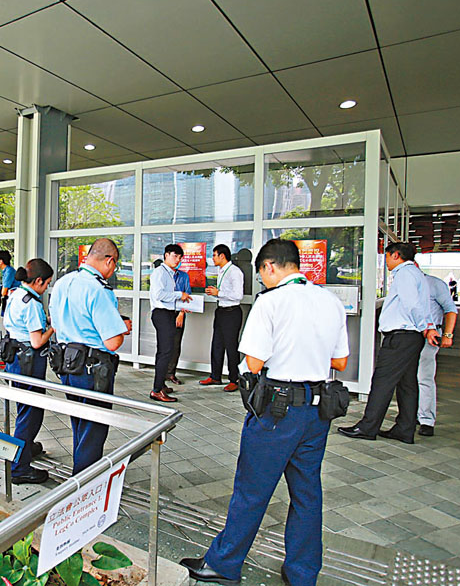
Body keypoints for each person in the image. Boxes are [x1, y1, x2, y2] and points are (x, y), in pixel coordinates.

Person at [180, 238, 350, 586]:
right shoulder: (330, 301)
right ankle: (302, 573)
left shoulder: (271, 302)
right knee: (307, 493)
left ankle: (224, 564)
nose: (263, 280)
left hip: (278, 410)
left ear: (270, 266)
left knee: (252, 489)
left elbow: (254, 362)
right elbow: (340, 361)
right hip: (316, 411)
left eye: (262, 273)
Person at [338, 242, 437, 444]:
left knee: (382, 382)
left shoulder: (405, 273)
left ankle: (368, 427)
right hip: (410, 337)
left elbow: (412, 304)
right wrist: (425, 326)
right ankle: (404, 429)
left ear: (396, 255)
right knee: (407, 384)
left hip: (401, 336)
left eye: (387, 257)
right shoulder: (415, 273)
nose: (386, 262)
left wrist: (424, 327)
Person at [49, 238, 132, 475]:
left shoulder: (63, 283)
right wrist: (123, 329)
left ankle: (80, 472)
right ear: (110, 261)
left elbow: (56, 323)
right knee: (93, 428)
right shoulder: (98, 289)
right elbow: (112, 342)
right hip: (93, 369)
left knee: (79, 423)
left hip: (67, 363)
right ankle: (85, 483)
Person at [3, 259, 55, 485]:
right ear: (38, 281)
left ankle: (25, 448)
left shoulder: (17, 294)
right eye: (47, 283)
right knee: (31, 413)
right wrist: (53, 327)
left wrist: (45, 321)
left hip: (15, 358)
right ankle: (19, 468)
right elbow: (37, 341)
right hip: (29, 362)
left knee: (23, 409)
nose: (47, 287)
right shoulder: (32, 303)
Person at [417, 273, 458, 437]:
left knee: (424, 377)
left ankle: (426, 420)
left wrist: (448, 335)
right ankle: (413, 413)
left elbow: (451, 310)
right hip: (409, 335)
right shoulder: (405, 283)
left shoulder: (434, 284)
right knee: (410, 378)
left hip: (430, 336)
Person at [149, 244, 190, 403]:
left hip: (169, 314)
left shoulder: (170, 273)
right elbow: (159, 295)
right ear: (166, 255)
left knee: (167, 350)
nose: (177, 260)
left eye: (180, 257)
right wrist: (180, 294)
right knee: (165, 352)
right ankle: (156, 391)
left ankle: (161, 384)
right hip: (162, 314)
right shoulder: (160, 272)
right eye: (175, 256)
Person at [200, 244, 245, 392]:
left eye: (214, 255)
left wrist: (218, 293)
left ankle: (234, 379)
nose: (212, 258)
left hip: (232, 312)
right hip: (221, 310)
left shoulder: (234, 272)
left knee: (231, 346)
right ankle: (215, 376)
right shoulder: (221, 271)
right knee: (217, 344)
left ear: (222, 256)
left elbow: (238, 295)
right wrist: (215, 293)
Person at [0, 249, 19, 315]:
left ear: (1, 261)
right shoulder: (6, 271)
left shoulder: (9, 272)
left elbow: (4, 292)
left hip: (13, 301)